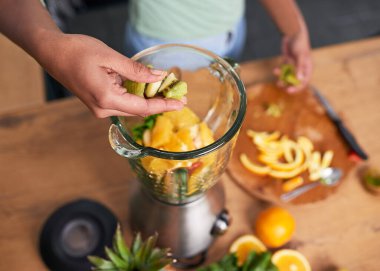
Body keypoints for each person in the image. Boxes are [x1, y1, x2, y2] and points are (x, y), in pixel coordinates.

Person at [0, 0, 312, 118]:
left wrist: (293, 26)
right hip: (165, 45)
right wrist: (53, 49)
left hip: (231, 28)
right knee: (169, 129)